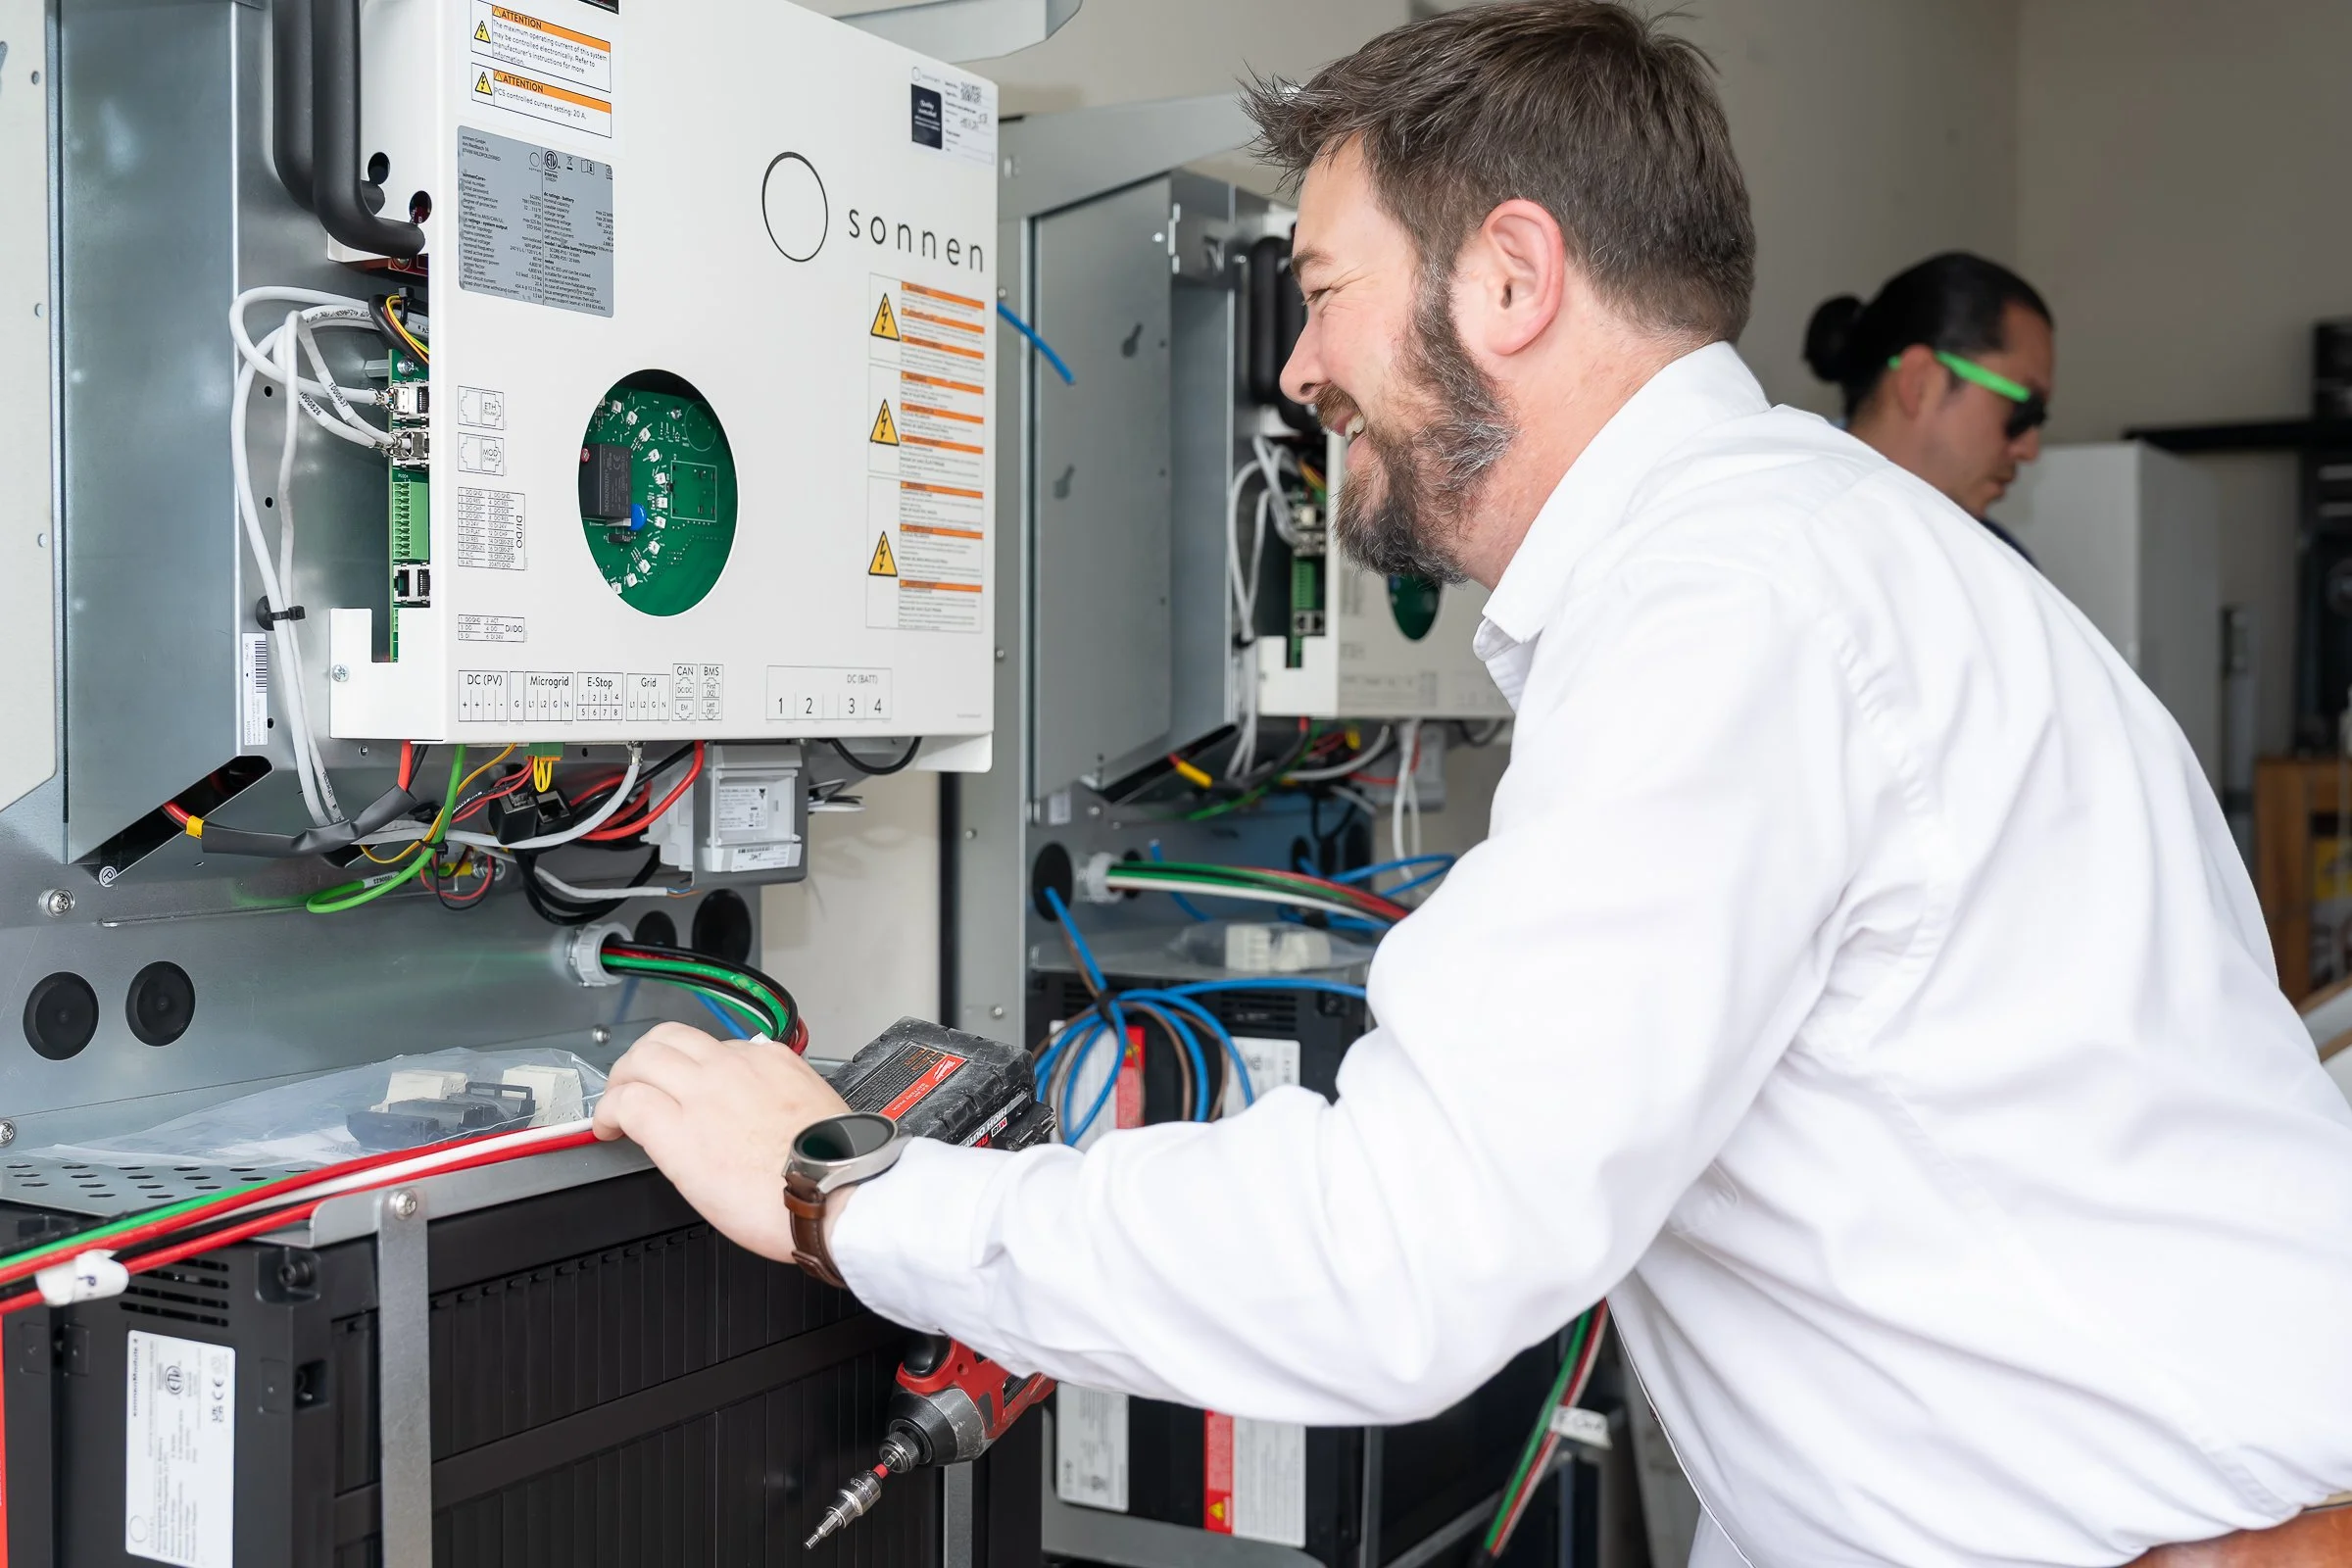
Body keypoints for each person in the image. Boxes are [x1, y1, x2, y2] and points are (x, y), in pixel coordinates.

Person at [591, 5, 2352, 1564]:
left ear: (1510, 277)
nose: (1296, 366)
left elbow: (1405, 1260)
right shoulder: (1811, 556)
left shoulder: (1733, 604)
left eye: (1329, 290)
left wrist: (849, 1191)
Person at [1805, 253, 2054, 557]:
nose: (2029, 450)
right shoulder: (1790, 540)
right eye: (2022, 410)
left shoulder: (2000, 563)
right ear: (1919, 382)